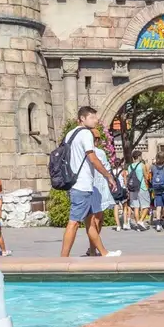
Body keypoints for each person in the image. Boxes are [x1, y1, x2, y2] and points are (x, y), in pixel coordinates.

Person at [60, 107, 121, 258]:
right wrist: (108, 176)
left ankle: (104, 253)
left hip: (75, 183)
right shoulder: (86, 133)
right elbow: (92, 158)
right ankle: (62, 259)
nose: (96, 120)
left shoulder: (70, 134)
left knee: (90, 222)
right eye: (92, 117)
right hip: (82, 184)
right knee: (74, 222)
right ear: (82, 118)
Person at [149, 151, 164, 232]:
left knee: (158, 207)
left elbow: (150, 178)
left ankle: (158, 224)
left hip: (156, 190)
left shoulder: (153, 167)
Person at [126, 151, 150, 230]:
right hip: (142, 187)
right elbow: (146, 177)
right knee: (146, 205)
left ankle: (137, 226)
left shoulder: (130, 167)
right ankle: (141, 220)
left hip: (133, 189)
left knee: (136, 207)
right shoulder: (141, 165)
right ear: (139, 157)